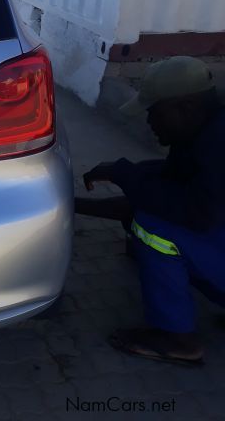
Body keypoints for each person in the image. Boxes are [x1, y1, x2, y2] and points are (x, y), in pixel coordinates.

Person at [76, 56, 225, 366]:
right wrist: (78, 201)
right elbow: (168, 182)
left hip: (208, 223)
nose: (148, 122)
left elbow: (192, 214)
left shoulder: (217, 142)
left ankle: (177, 339)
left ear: (184, 108)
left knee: (152, 228)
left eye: (152, 112)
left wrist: (125, 176)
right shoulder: (201, 130)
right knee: (152, 207)